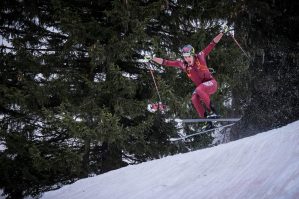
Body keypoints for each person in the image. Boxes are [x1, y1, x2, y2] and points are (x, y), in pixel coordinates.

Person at [149, 27, 228, 119]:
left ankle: (215, 112)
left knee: (198, 89)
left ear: (193, 54)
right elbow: (165, 62)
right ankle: (207, 120)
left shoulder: (200, 56)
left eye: (188, 57)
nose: (187, 59)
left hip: (211, 84)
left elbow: (212, 43)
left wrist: (222, 33)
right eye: (185, 57)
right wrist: (152, 58)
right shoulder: (182, 64)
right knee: (194, 98)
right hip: (201, 88)